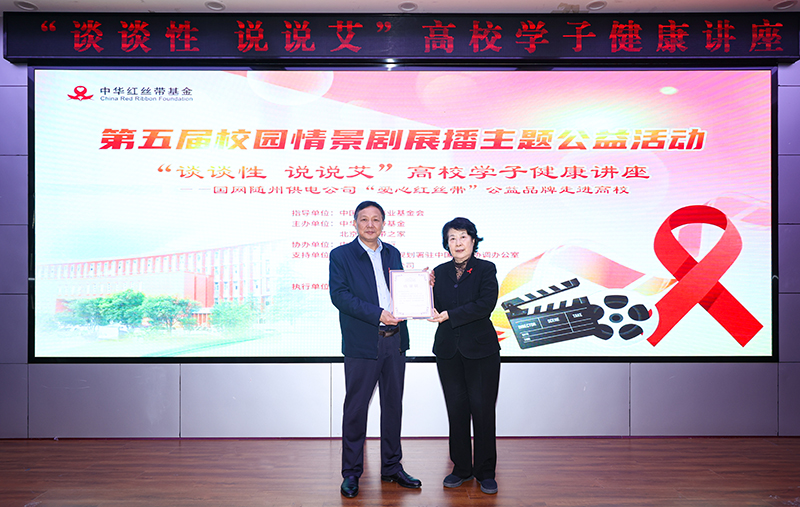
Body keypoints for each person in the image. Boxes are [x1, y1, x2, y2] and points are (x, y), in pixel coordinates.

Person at [329, 200, 422, 499]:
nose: (370, 224)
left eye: (376, 219)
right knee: (356, 409)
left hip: (395, 341)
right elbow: (340, 296)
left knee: (393, 406)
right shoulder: (341, 255)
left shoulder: (392, 252)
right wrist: (377, 313)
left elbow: (402, 291)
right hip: (362, 342)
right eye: (364, 219)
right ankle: (351, 472)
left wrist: (422, 286)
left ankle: (392, 467)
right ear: (354, 223)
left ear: (384, 223)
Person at [428, 217, 501, 495]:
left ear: (473, 240)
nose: (457, 243)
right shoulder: (439, 272)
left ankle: (485, 471)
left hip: (481, 350)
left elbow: (485, 305)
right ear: (446, 244)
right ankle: (460, 468)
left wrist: (451, 315)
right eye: (452, 238)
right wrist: (425, 287)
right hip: (448, 350)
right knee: (456, 410)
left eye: (462, 236)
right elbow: (432, 307)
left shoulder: (485, 269)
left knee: (482, 411)